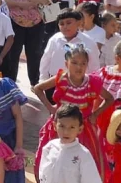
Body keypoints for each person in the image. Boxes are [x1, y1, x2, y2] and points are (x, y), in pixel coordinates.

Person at [32, 46, 113, 181]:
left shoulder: (92, 82)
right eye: (74, 63)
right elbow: (38, 88)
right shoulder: (61, 79)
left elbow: (110, 98)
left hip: (83, 128)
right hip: (60, 126)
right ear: (66, 64)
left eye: (83, 63)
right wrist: (51, 108)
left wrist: (95, 114)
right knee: (52, 155)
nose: (79, 67)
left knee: (84, 159)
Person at [5, 0, 53, 85]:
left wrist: (36, 0)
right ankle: (11, 84)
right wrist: (20, 4)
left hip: (36, 21)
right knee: (13, 55)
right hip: (14, 21)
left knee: (34, 54)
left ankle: (35, 84)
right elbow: (3, 0)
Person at [37, 104, 102, 183]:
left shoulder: (83, 155)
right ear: (54, 126)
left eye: (72, 127)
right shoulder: (49, 147)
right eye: (62, 126)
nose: (66, 132)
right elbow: (43, 174)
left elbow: (92, 180)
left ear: (80, 129)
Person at [39, 9, 100, 82]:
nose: (65, 26)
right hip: (55, 82)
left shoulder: (88, 42)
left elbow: (94, 66)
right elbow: (46, 60)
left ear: (78, 22)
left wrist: (91, 84)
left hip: (79, 83)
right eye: (61, 24)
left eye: (69, 23)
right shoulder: (54, 39)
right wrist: (43, 79)